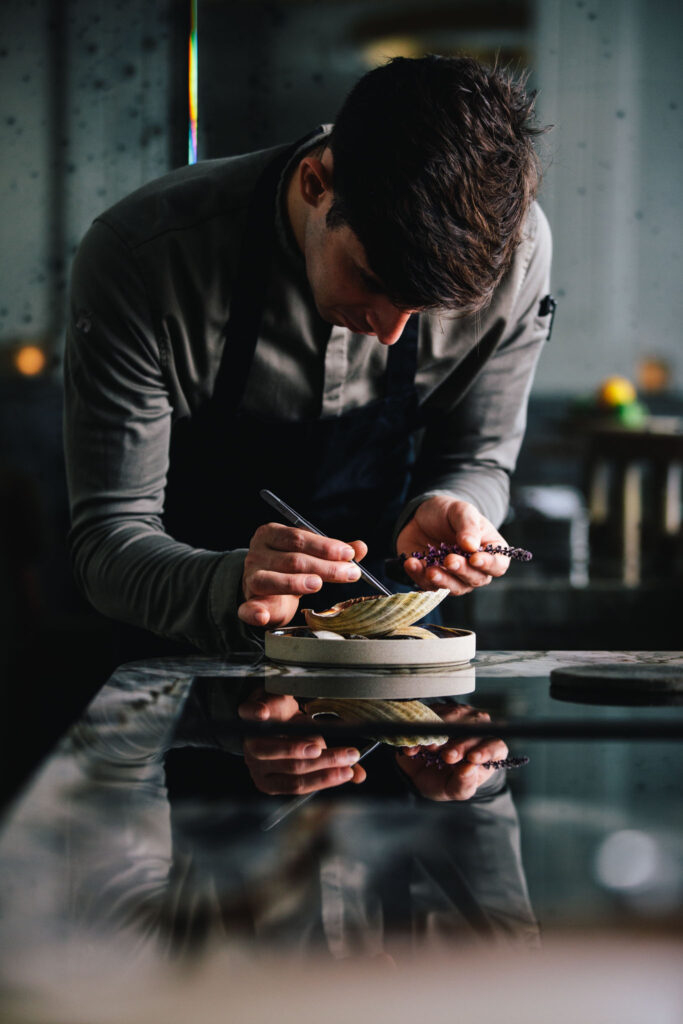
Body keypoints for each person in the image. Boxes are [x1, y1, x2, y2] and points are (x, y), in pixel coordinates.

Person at [64, 55, 552, 795]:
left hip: (404, 700)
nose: (390, 333)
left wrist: (461, 507)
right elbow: (107, 541)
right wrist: (228, 583)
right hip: (194, 696)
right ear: (316, 184)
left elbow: (481, 453)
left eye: (424, 311)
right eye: (374, 281)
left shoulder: (516, 252)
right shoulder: (144, 259)